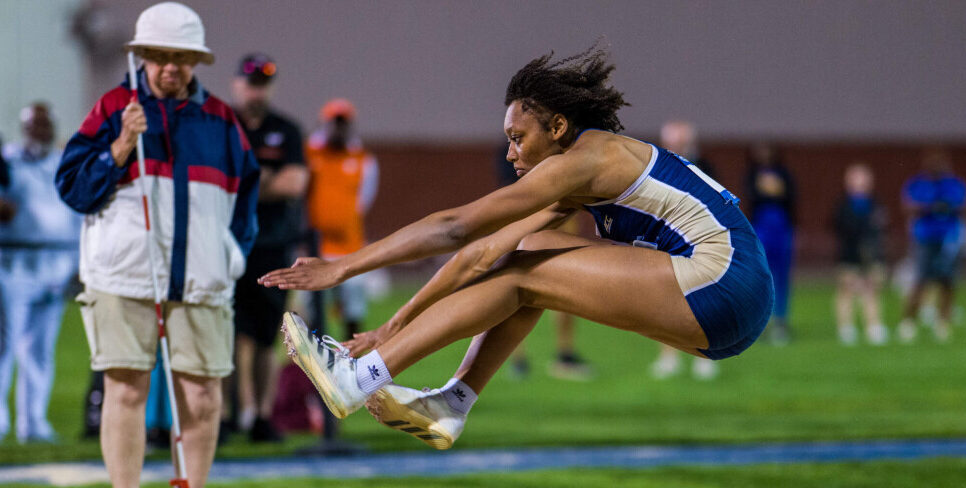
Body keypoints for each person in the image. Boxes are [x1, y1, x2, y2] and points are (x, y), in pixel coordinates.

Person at [261, 45, 773, 450]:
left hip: (724, 281)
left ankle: (358, 380)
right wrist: (394, 325)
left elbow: (455, 227)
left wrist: (343, 267)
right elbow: (480, 255)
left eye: (518, 137)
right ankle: (452, 402)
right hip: (727, 309)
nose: (510, 154)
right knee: (527, 254)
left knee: (528, 274)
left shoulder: (589, 157)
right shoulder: (580, 177)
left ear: (557, 128)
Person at [55, 1, 259, 488]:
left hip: (200, 280)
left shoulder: (220, 118)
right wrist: (120, 145)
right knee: (125, 389)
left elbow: (245, 202)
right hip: (122, 277)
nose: (171, 67)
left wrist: (231, 257)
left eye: (182, 58)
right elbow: (72, 188)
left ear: (196, 61)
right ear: (141, 56)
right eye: (160, 56)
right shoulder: (114, 106)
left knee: (204, 396)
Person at [231, 52, 308, 442]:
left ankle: (261, 415)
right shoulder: (224, 125)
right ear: (237, 84)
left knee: (265, 336)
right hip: (228, 245)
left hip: (273, 246)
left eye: (263, 82)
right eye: (250, 82)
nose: (255, 90)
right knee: (230, 334)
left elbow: (295, 184)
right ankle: (232, 413)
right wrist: (263, 180)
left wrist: (246, 182)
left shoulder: (287, 130)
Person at [0, 102, 82, 443]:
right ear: (24, 128)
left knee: (40, 348)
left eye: (45, 125)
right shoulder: (8, 162)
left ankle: (34, 423)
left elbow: (77, 215)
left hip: (57, 263)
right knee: (5, 344)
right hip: (14, 261)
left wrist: (79, 265)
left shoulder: (62, 162)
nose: (41, 131)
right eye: (34, 125)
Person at [494, 141, 596, 382]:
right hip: (523, 219)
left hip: (554, 219)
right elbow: (510, 188)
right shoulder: (509, 151)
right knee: (514, 289)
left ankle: (564, 355)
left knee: (563, 289)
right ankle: (517, 359)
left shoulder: (555, 147)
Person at [649, 120, 718, 380]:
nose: (677, 146)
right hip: (665, 239)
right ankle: (668, 357)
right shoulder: (657, 168)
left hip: (697, 241)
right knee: (664, 300)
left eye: (681, 141)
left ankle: (704, 356)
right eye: (672, 142)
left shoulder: (703, 168)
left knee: (700, 299)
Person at [306, 98, 377, 340]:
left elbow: (364, 200)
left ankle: (353, 363)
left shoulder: (362, 160)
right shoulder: (310, 154)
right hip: (316, 248)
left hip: (350, 247)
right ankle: (313, 365)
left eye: (342, 123)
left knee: (352, 313)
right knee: (312, 313)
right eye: (333, 123)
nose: (337, 129)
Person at [897, 148, 966, 343]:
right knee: (920, 281)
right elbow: (907, 206)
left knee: (947, 282)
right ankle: (908, 321)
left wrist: (949, 206)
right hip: (925, 238)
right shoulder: (918, 184)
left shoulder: (954, 184)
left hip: (949, 239)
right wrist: (928, 207)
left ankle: (943, 323)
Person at [745, 143, 796, 345]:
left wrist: (773, 189)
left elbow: (790, 196)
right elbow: (751, 196)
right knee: (759, 275)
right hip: (760, 229)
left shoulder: (784, 173)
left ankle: (780, 320)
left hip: (781, 230)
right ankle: (758, 321)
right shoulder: (751, 174)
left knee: (781, 276)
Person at [833, 163, 889, 346]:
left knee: (871, 288)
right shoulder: (843, 205)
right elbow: (839, 227)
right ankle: (846, 327)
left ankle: (873, 325)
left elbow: (881, 228)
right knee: (847, 288)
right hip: (849, 253)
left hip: (871, 253)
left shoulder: (875, 204)